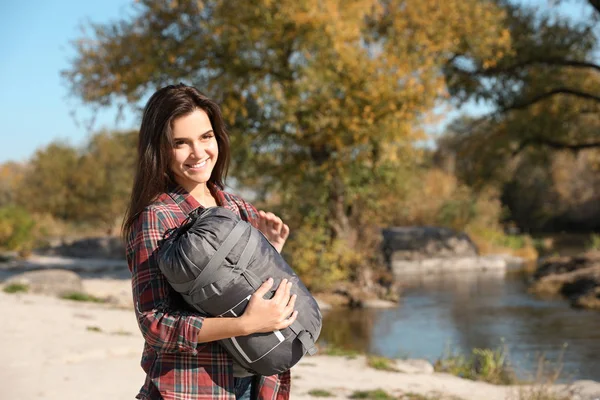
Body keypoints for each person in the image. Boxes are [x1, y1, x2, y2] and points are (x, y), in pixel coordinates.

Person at [122, 83, 298, 400]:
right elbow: (155, 324)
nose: (199, 153)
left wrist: (269, 252)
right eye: (181, 143)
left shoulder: (237, 206)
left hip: (259, 384)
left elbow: (242, 288)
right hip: (194, 389)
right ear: (160, 149)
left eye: (206, 137)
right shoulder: (156, 218)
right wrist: (244, 325)